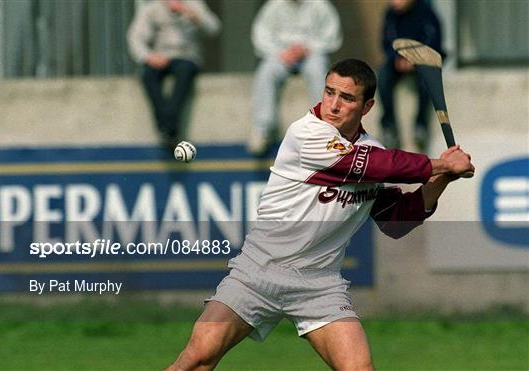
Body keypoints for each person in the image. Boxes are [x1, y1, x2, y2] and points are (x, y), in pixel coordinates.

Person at [166, 59, 474, 370]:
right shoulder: (306, 134)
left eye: (347, 98)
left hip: (319, 284)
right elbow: (370, 166)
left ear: (367, 106)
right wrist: (443, 163)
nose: (334, 105)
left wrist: (445, 178)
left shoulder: (372, 150)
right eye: (329, 93)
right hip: (259, 272)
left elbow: (396, 220)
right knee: (197, 360)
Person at [248, 0, 342, 155]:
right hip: (281, 55)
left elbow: (331, 34)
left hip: (312, 54)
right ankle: (262, 128)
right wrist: (282, 52)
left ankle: (323, 128)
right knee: (266, 71)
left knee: (318, 72)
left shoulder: (320, 5)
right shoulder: (273, 6)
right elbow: (261, 36)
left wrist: (307, 48)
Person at [127, 0, 220, 148]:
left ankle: (167, 127)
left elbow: (213, 28)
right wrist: (148, 56)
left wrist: (188, 12)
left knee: (184, 73)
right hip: (160, 56)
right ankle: (168, 126)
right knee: (148, 76)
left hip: (187, 57)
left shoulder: (194, 4)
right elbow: (135, 37)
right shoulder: (152, 8)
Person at [378, 0, 444, 152]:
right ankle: (389, 126)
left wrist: (414, 57)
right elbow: (386, 41)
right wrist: (397, 57)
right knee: (382, 77)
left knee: (426, 80)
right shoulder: (390, 14)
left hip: (422, 59)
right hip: (398, 60)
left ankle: (421, 126)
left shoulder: (426, 12)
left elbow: (433, 41)